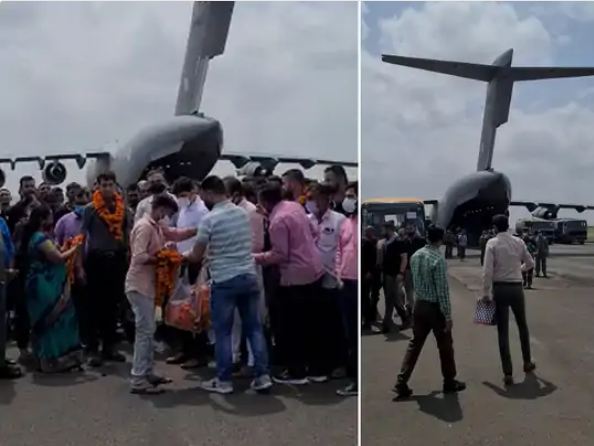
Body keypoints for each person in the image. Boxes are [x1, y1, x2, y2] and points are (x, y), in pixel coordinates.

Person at [185, 176, 272, 394]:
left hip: (224, 280)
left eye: (202, 195)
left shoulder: (210, 219)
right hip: (248, 276)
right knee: (254, 328)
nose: (202, 199)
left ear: (208, 192)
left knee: (223, 331)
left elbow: (197, 254)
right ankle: (262, 376)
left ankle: (224, 380)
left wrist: (182, 255)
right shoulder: (243, 213)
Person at [125, 194, 196, 394]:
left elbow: (174, 234)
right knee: (144, 332)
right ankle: (138, 378)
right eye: (165, 212)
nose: (166, 216)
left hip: (149, 286)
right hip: (140, 285)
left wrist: (195, 231)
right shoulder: (145, 227)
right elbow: (138, 257)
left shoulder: (155, 226)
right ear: (158, 208)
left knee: (149, 330)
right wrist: (162, 258)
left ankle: (147, 372)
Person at [254, 182, 324, 385]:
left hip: (294, 277)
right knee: (311, 323)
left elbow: (280, 254)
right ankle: (315, 368)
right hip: (314, 269)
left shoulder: (277, 220)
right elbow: (312, 231)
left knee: (291, 327)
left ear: (265, 201)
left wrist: (255, 257)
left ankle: (296, 372)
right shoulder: (294, 207)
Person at [393, 225, 466, 399]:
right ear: (441, 240)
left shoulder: (416, 255)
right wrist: (448, 316)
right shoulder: (438, 259)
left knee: (415, 344)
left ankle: (401, 381)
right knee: (445, 345)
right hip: (434, 308)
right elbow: (442, 291)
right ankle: (449, 381)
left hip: (420, 305)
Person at [21, 205, 83, 373]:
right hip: (46, 285)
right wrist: (74, 249)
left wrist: (67, 245)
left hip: (45, 283)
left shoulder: (38, 237)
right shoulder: (40, 238)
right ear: (42, 219)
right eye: (49, 216)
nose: (52, 218)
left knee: (53, 320)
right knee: (54, 319)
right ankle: (51, 359)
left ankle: (52, 358)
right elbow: (57, 258)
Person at [80, 171, 131, 367]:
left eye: (111, 184)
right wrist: (79, 266)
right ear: (97, 186)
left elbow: (128, 236)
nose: (107, 188)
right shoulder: (90, 209)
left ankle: (110, 347)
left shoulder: (124, 209)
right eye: (104, 184)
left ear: (116, 186)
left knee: (113, 306)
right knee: (94, 306)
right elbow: (81, 238)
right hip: (96, 260)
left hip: (117, 260)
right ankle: (93, 349)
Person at [482, 214, 536, 386]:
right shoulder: (519, 242)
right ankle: (527, 362)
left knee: (503, 331)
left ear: (495, 228)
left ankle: (508, 373)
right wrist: (518, 270)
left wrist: (485, 292)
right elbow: (530, 263)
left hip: (500, 288)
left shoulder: (492, 243)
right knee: (522, 325)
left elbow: (487, 271)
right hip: (516, 287)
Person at [224, 176, 266, 375]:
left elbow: (257, 244)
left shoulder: (251, 212)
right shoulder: (228, 212)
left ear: (236, 194)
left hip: (249, 269)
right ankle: (233, 357)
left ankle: (252, 362)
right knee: (233, 319)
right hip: (230, 270)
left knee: (251, 319)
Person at [166, 177, 209, 369]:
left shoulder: (202, 211)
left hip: (195, 263)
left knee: (195, 309)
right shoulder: (183, 209)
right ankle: (183, 349)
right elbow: (181, 233)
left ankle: (198, 354)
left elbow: (202, 238)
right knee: (180, 307)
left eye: (183, 195)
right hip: (180, 261)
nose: (180, 199)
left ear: (192, 191)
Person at [308, 182, 347, 381]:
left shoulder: (339, 220)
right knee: (317, 323)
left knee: (334, 323)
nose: (315, 202)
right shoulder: (307, 220)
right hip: (312, 279)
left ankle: (339, 364)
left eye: (318, 198)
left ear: (327, 199)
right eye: (312, 199)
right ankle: (320, 363)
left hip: (333, 279)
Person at [335, 182, 358, 397]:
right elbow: (339, 251)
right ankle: (352, 376)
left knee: (353, 335)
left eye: (351, 196)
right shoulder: (346, 223)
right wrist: (338, 274)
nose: (347, 200)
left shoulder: (364, 224)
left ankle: (356, 379)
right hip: (346, 282)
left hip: (358, 283)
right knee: (348, 333)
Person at [381, 221, 409, 333]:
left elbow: (404, 258)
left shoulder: (398, 241)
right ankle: (402, 319)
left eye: (384, 229)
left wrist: (401, 273)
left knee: (392, 298)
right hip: (388, 273)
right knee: (391, 298)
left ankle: (388, 323)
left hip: (395, 274)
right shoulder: (387, 241)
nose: (382, 231)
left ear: (389, 229)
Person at [403, 223, 425, 317]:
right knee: (409, 289)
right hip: (408, 268)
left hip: (419, 268)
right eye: (407, 228)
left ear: (414, 228)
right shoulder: (404, 241)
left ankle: (420, 308)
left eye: (411, 228)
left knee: (420, 288)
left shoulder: (421, 240)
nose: (409, 230)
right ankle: (410, 307)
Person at [362, 225, 379, 331]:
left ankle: (368, 320)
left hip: (367, 274)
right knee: (365, 298)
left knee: (366, 298)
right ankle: (368, 319)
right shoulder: (364, 242)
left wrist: (369, 272)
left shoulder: (368, 243)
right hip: (362, 273)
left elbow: (372, 259)